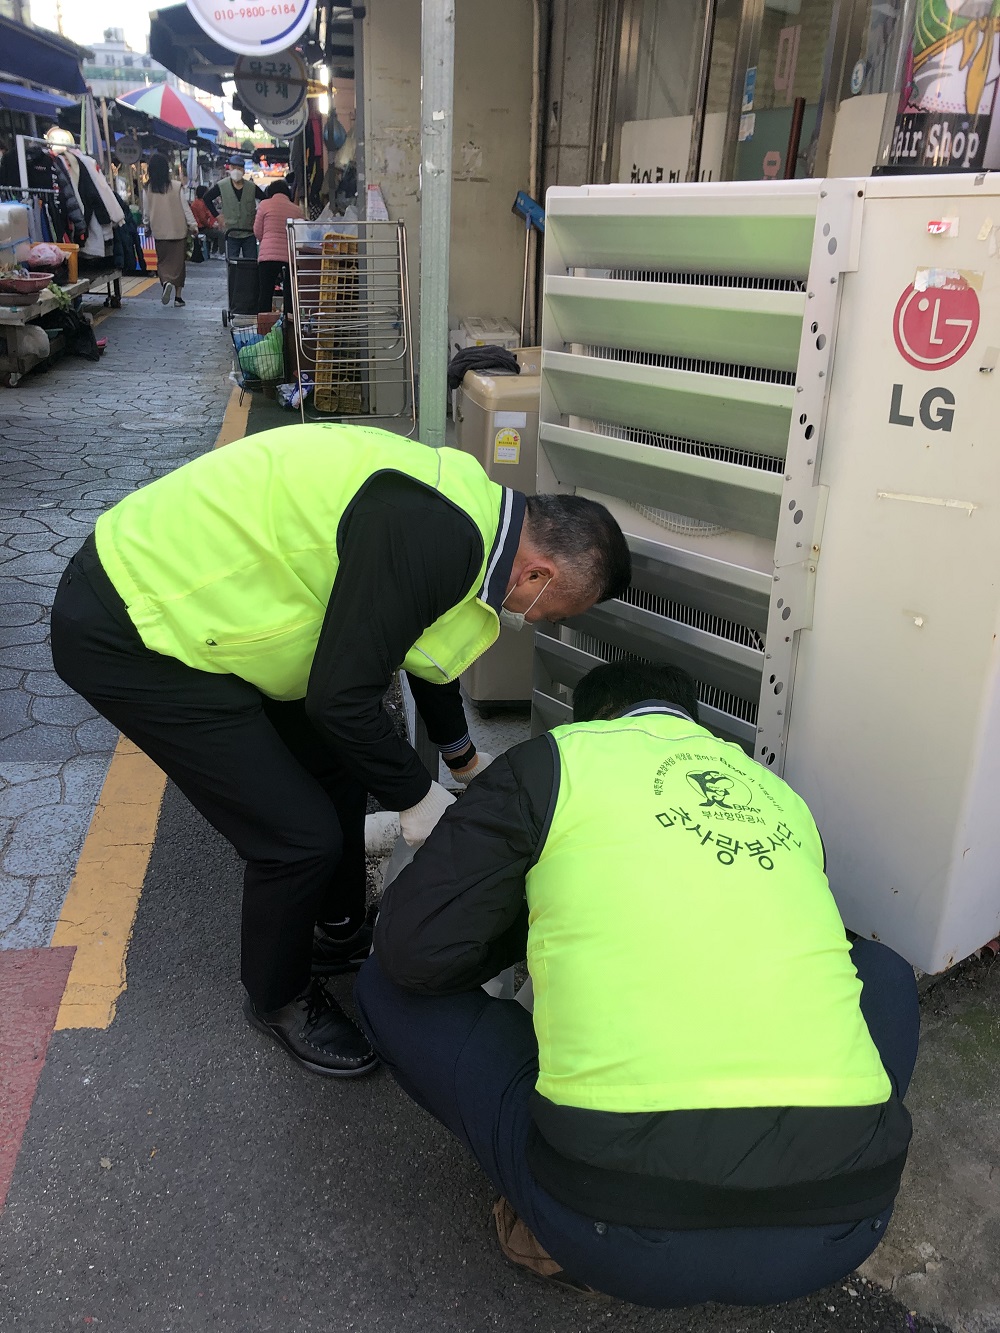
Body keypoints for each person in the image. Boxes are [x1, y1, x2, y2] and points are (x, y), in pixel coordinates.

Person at [49, 425, 631, 1081]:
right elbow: (340, 700)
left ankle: (339, 927)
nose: (540, 620)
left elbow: (420, 651)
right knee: (296, 836)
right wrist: (417, 798)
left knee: (335, 768)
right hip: (133, 620)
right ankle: (279, 999)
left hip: (201, 608)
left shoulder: (475, 514)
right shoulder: (435, 537)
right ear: (539, 573)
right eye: (552, 611)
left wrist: (464, 762)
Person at [356, 659, 919, 1307]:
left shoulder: (559, 757)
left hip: (617, 1233)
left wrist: (540, 922)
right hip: (845, 1225)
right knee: (881, 971)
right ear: (695, 725)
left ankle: (550, 1231)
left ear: (591, 720)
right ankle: (835, 1144)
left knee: (386, 984)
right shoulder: (777, 795)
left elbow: (414, 949)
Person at [142, 153, 196, 308]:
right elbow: (185, 208)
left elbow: (146, 211)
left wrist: (146, 225)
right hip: (178, 230)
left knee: (163, 262)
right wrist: (193, 225)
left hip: (159, 231)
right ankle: (178, 298)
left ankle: (166, 282)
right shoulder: (176, 186)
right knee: (178, 264)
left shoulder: (147, 188)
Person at [253, 178, 303, 314]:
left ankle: (264, 328)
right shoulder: (297, 210)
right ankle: (289, 328)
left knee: (265, 293)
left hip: (267, 256)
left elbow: (257, 231)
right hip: (289, 257)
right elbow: (300, 235)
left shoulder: (264, 205)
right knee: (289, 294)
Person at [204, 157, 265, 260]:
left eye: (239, 168)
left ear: (244, 170)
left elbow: (265, 199)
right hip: (230, 232)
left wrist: (259, 216)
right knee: (232, 264)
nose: (236, 171)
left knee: (251, 263)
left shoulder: (252, 187)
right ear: (230, 169)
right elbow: (207, 198)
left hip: (249, 232)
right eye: (234, 168)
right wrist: (217, 216)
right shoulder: (222, 185)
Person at [190, 185, 221, 257]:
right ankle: (217, 252)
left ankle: (213, 251)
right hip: (201, 228)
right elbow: (203, 219)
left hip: (201, 226)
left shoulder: (198, 202)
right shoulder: (200, 204)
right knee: (220, 234)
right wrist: (211, 225)